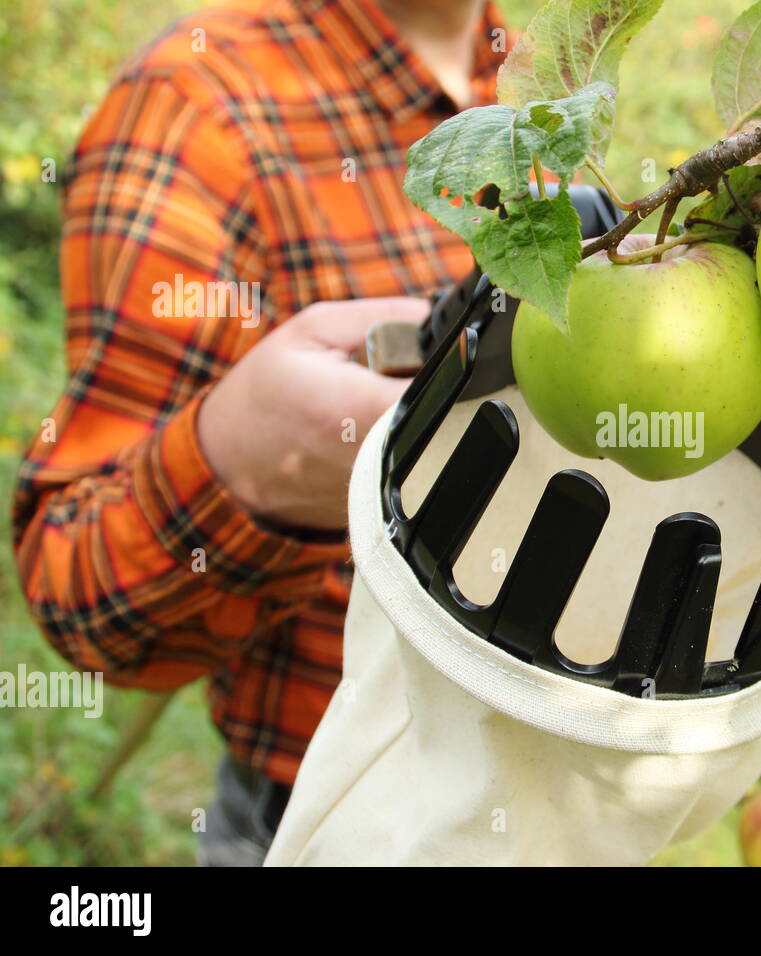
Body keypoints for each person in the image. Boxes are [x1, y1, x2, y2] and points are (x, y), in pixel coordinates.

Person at [10, 0, 508, 865]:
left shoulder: (544, 79)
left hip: (556, 784)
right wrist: (246, 470)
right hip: (324, 814)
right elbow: (81, 593)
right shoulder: (195, 105)